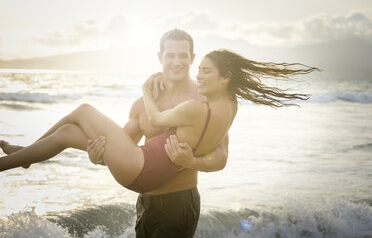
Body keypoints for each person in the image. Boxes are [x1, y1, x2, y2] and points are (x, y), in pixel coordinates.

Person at [0, 30, 321, 237]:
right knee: (71, 130)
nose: (178, 61)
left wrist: (194, 159)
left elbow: (221, 156)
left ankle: (22, 154)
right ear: (160, 58)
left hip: (178, 203)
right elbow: (126, 144)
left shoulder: (204, 97)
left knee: (82, 113)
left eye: (184, 55)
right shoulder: (143, 102)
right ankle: (27, 155)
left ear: (193, 59)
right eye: (171, 54)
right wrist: (98, 155)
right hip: (145, 201)